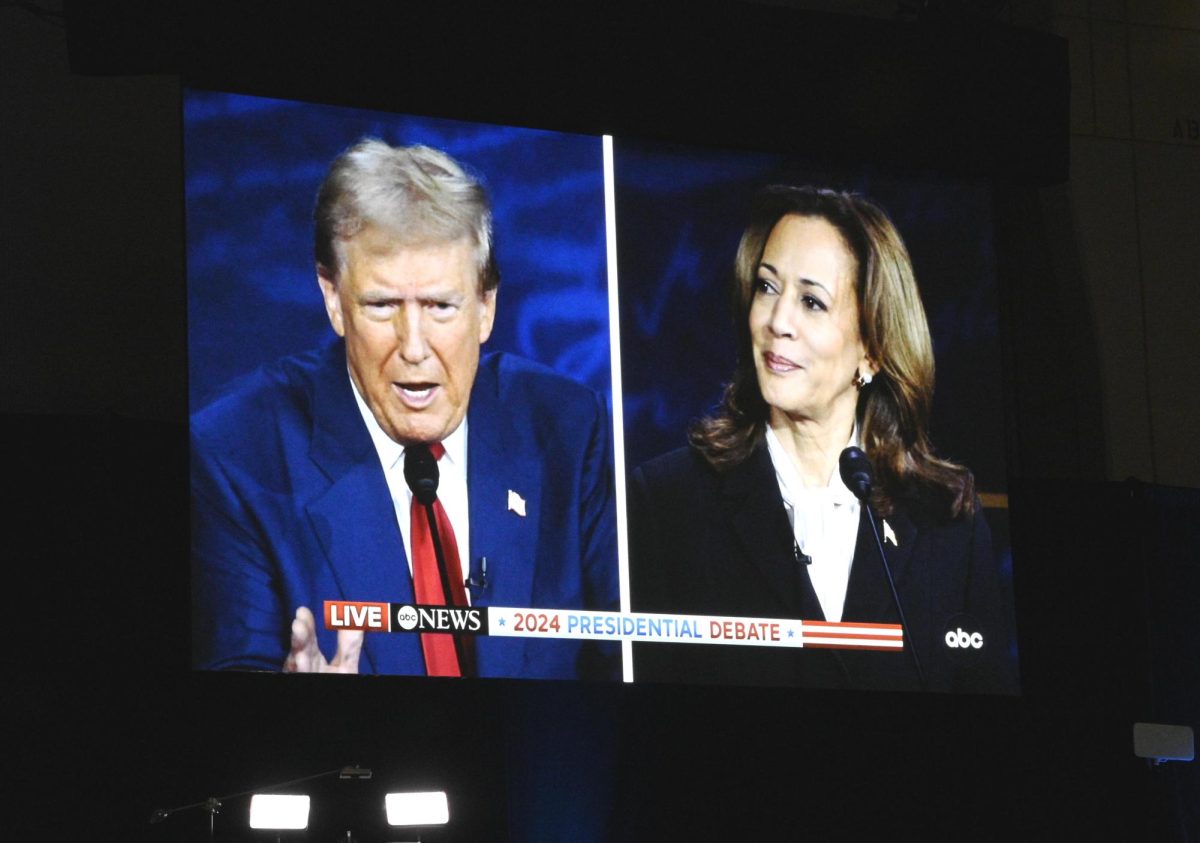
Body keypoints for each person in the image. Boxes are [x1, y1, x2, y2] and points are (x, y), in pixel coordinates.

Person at [192, 139, 618, 679]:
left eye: (441, 306)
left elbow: (626, 661)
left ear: (486, 307)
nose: (413, 347)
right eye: (382, 306)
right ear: (332, 297)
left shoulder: (567, 429)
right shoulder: (237, 456)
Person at [629, 185, 1017, 693]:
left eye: (812, 302)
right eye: (767, 288)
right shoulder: (668, 500)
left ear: (872, 350)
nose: (777, 321)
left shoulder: (945, 522)